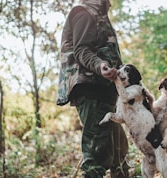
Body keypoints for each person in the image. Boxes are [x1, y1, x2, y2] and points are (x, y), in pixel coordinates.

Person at [56, 0, 129, 177]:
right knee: (97, 157)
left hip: (104, 92)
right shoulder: (84, 12)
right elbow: (82, 49)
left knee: (119, 152)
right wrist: (100, 65)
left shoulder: (99, 15)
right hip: (92, 90)